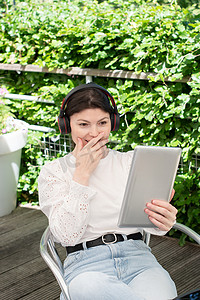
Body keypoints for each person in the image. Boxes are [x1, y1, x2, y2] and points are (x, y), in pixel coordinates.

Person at [38, 83, 178, 300]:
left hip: (139, 259)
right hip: (86, 266)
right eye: (83, 124)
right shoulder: (54, 172)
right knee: (88, 289)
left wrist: (163, 221)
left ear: (112, 123)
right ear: (67, 126)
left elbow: (153, 228)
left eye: (102, 123)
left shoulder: (130, 162)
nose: (94, 133)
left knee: (163, 294)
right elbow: (65, 235)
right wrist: (82, 175)